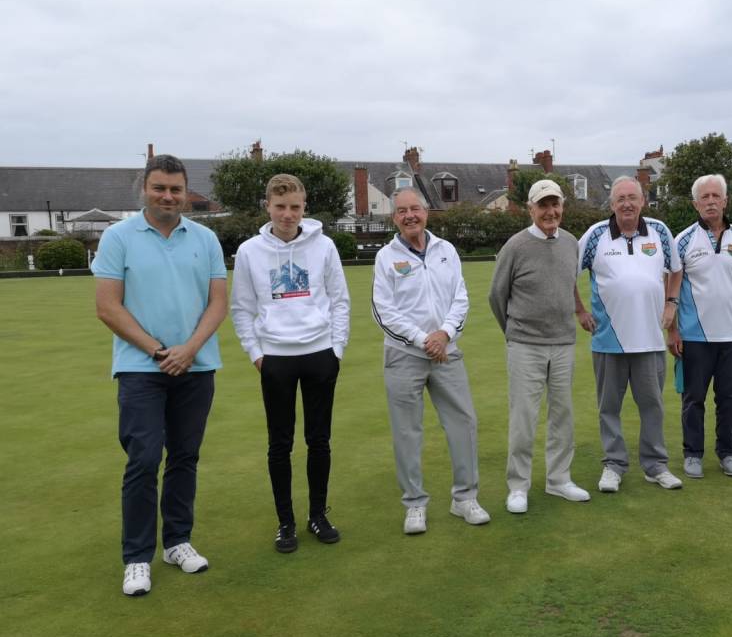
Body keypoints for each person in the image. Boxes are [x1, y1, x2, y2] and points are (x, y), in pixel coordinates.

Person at [92, 154, 227, 596]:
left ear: (185, 193)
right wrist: (158, 350)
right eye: (160, 188)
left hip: (196, 365)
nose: (168, 196)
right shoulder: (118, 237)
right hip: (140, 368)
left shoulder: (205, 238)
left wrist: (189, 350)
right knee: (144, 459)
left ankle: (177, 542)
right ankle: (137, 558)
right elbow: (107, 306)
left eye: (175, 189)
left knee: (185, 457)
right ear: (145, 190)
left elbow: (217, 303)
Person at [230, 174, 351, 552]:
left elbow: (340, 300)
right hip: (276, 358)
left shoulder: (324, 245)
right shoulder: (249, 251)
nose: (287, 214)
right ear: (267, 206)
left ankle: (318, 514)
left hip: (319, 353)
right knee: (279, 444)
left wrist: (336, 350)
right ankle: (286, 523)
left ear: (304, 207)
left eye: (295, 207)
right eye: (280, 207)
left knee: (319, 440)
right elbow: (242, 308)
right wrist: (256, 354)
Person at [372, 188, 490, 534]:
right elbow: (384, 310)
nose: (410, 215)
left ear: (426, 212)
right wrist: (424, 339)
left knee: (463, 423)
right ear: (394, 218)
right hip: (404, 355)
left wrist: (444, 334)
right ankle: (414, 503)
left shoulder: (446, 250)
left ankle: (465, 498)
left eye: (415, 209)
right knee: (407, 431)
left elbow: (460, 298)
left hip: (446, 352)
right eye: (402, 211)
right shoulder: (386, 257)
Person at [488, 179, 595, 514]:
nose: (550, 212)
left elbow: (568, 284)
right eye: (543, 205)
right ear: (531, 209)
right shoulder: (516, 246)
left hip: (563, 343)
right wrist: (513, 332)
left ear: (562, 207)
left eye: (555, 204)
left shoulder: (571, 243)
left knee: (562, 416)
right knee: (524, 418)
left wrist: (578, 310)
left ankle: (558, 479)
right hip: (525, 344)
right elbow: (497, 295)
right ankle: (518, 486)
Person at [578, 176, 684, 493]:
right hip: (608, 340)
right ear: (612, 204)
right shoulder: (595, 235)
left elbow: (676, 269)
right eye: (620, 199)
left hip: (650, 338)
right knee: (609, 408)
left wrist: (671, 303)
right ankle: (614, 465)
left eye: (632, 198)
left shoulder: (660, 231)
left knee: (652, 406)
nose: (627, 204)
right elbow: (567, 273)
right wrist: (579, 310)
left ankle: (656, 466)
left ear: (642, 201)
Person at [667, 174, 732, 479]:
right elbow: (671, 288)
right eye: (704, 197)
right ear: (695, 204)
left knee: (729, 398)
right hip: (694, 336)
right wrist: (673, 330)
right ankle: (693, 454)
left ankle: (728, 452)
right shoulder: (683, 240)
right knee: (693, 398)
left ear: (725, 201)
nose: (710, 202)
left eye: (715, 196)